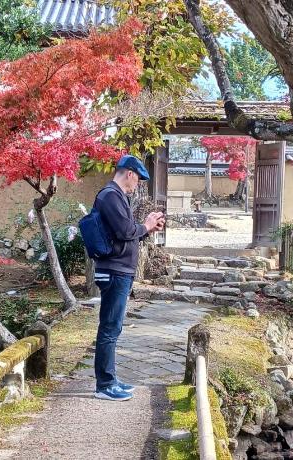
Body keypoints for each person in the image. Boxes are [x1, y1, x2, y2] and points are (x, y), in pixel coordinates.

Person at [91, 155, 165, 401]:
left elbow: (126, 235)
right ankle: (104, 385)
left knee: (113, 326)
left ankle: (110, 379)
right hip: (114, 270)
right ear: (130, 173)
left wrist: (146, 228)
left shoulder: (116, 196)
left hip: (118, 269)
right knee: (110, 327)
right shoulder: (110, 195)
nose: (138, 185)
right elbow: (126, 231)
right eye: (139, 179)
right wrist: (145, 224)